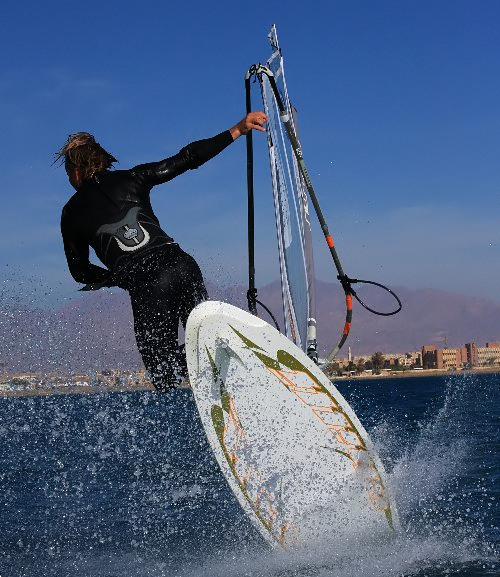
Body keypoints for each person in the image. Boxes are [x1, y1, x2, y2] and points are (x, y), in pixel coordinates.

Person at [57, 112, 267, 392]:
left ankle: (222, 357)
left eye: (68, 172)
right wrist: (237, 130)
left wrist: (118, 278)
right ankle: (236, 356)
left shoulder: (71, 214)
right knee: (203, 345)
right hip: (182, 265)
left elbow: (80, 272)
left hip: (148, 283)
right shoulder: (134, 177)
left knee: (163, 373)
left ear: (77, 169)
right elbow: (186, 158)